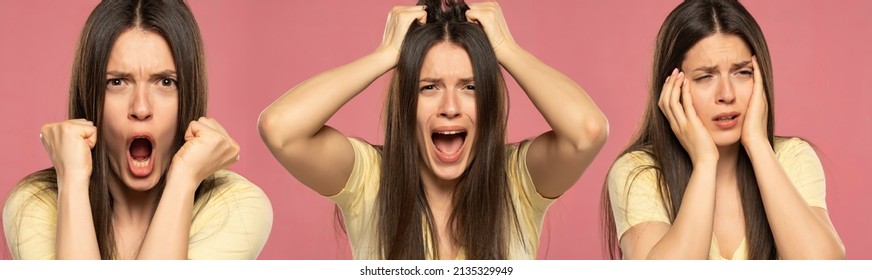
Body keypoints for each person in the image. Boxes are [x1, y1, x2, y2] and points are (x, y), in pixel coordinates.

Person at [259, 0, 607, 259]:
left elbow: (587, 131)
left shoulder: (516, 179)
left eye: (470, 87)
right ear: (407, 102)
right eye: (430, 87)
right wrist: (385, 55)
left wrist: (506, 48)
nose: (450, 107)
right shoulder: (371, 179)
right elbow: (281, 128)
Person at [3, 0, 272, 260]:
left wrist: (184, 179)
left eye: (166, 82)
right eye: (117, 81)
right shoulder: (33, 204)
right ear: (90, 95)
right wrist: (71, 180)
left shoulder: (235, 205)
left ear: (189, 93)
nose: (141, 108)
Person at [602, 0, 844, 259]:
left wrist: (758, 145)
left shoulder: (791, 158)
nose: (727, 95)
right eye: (705, 77)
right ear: (671, 88)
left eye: (742, 72)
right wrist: (705, 162)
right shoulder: (639, 172)